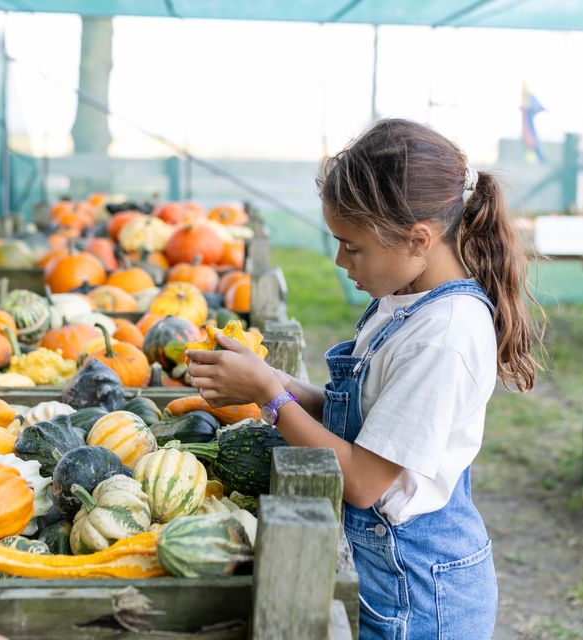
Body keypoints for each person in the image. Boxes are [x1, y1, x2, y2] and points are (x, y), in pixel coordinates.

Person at [186, 118, 542, 640]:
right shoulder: (405, 301)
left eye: (352, 247)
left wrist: (270, 393)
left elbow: (365, 482)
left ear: (418, 239)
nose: (339, 260)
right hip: (389, 575)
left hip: (419, 596)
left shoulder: (443, 336)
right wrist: (274, 379)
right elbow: (363, 419)